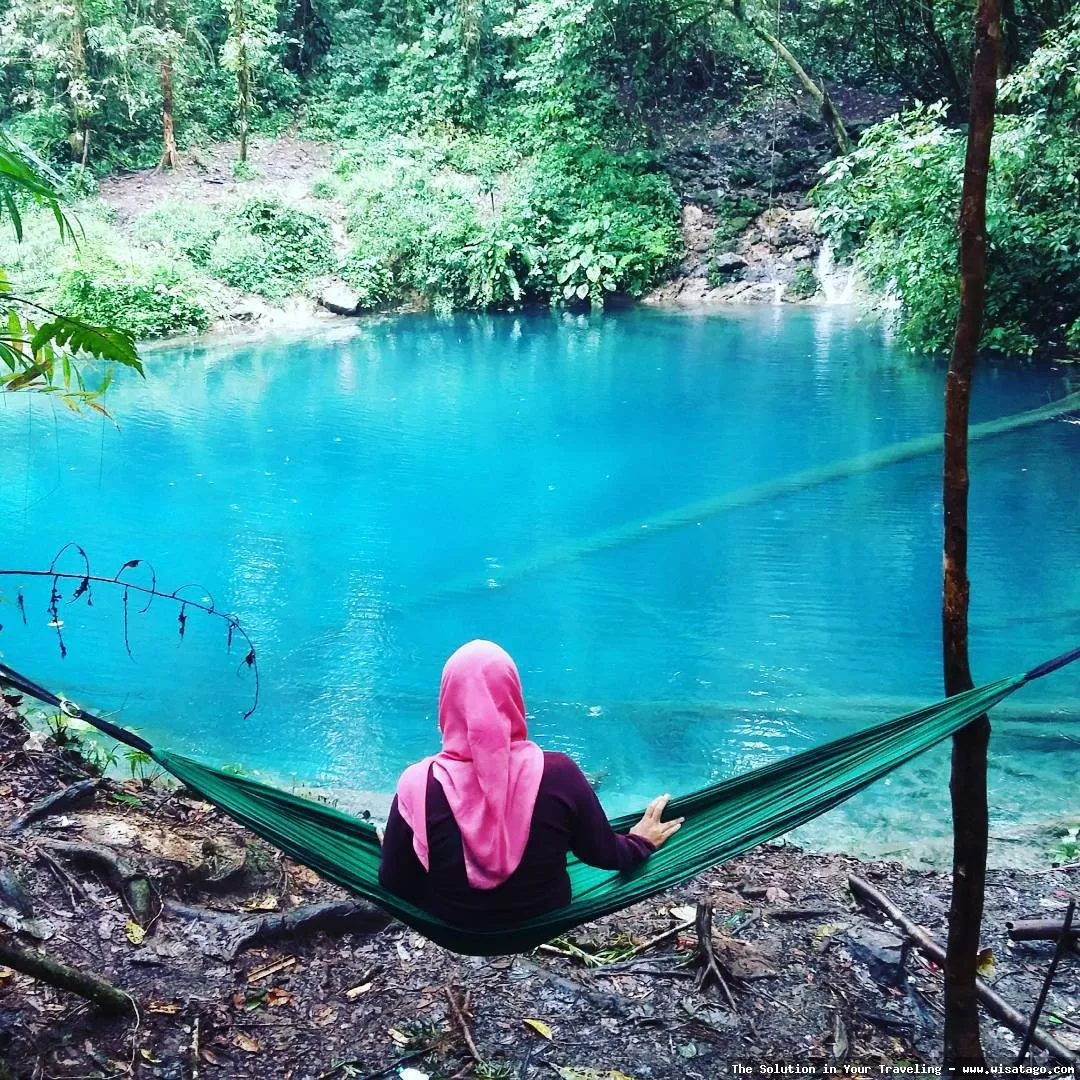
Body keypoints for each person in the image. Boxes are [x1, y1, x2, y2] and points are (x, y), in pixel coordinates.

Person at [378, 639, 683, 929]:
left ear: (447, 701)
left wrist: (408, 848)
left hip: (451, 921)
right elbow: (603, 855)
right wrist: (641, 842)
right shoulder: (559, 773)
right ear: (512, 696)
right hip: (546, 913)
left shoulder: (416, 785)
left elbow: (395, 884)